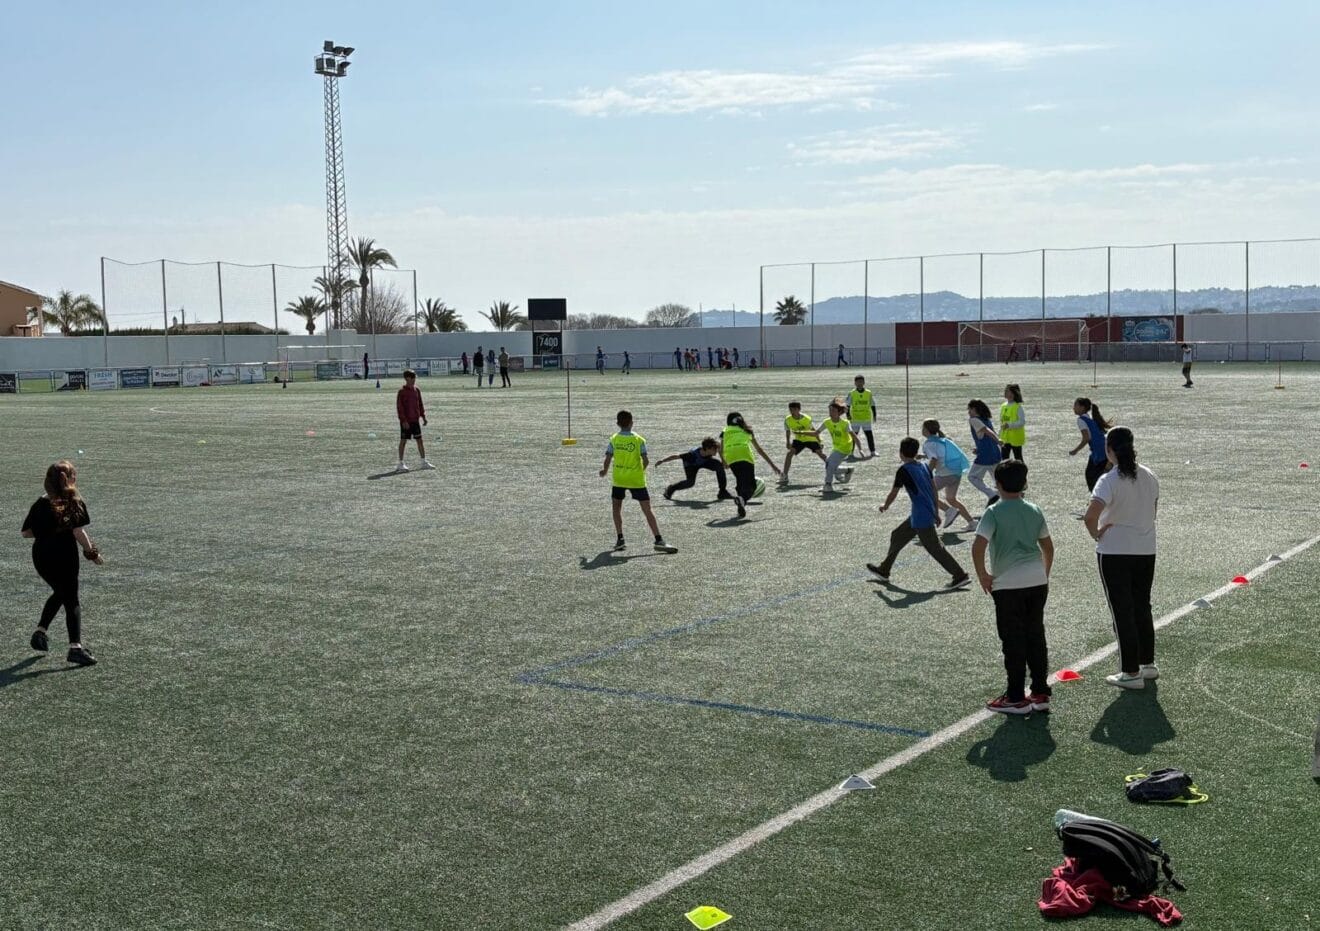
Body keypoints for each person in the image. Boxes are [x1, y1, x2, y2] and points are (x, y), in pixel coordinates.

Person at [970, 459, 1054, 714]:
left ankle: (1016, 696)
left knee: (1013, 640)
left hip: (1008, 585)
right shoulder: (1034, 509)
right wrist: (1043, 574)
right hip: (1036, 581)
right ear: (1024, 483)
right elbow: (1048, 547)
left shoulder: (994, 511)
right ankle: (1040, 692)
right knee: (1036, 636)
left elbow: (978, 546)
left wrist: (983, 574)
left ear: (997, 484)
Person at [1084, 427, 1160, 690]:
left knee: (1122, 611)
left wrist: (1097, 534)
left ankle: (1130, 671)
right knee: (1142, 606)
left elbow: (1090, 516)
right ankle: (1147, 663)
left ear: (1110, 449)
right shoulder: (1149, 475)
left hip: (1115, 551)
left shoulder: (1109, 479)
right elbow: (1153, 511)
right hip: (1145, 549)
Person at [22, 461, 102, 666]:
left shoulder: (40, 503)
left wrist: (47, 534)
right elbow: (78, 531)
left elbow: (26, 533)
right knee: (71, 598)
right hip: (64, 556)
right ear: (71, 479)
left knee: (60, 591)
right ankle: (75, 648)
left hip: (41, 556)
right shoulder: (74, 501)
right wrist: (92, 553)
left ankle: (40, 633)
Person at [868, 437, 971, 589]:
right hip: (923, 512)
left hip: (921, 516)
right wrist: (936, 512)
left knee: (935, 548)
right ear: (917, 453)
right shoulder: (924, 467)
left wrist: (886, 505)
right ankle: (884, 569)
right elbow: (933, 490)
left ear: (900, 453)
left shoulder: (903, 471)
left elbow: (894, 492)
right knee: (897, 535)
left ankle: (960, 575)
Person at [599, 410, 677, 553]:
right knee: (647, 510)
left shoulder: (614, 439)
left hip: (619, 479)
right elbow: (646, 460)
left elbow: (608, 458)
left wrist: (604, 471)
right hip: (636, 480)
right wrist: (641, 470)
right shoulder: (639, 440)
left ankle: (620, 539)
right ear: (632, 423)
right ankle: (659, 540)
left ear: (617, 424)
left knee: (616, 509)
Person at [720, 412, 782, 519]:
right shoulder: (747, 431)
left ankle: (741, 505)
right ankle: (742, 499)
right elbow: (759, 449)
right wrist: (772, 465)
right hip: (745, 455)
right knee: (752, 485)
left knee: (740, 482)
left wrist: (724, 461)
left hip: (731, 456)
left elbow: (720, 449)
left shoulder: (725, 431)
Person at [920, 419, 976, 532]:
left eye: (923, 428)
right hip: (956, 473)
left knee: (925, 493)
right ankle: (972, 522)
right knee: (951, 498)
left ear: (926, 430)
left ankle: (948, 511)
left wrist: (927, 474)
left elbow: (934, 460)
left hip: (945, 474)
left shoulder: (929, 444)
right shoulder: (942, 440)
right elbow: (939, 455)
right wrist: (922, 456)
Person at [658, 437, 731, 502]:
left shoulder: (710, 450)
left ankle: (722, 492)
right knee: (690, 482)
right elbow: (676, 456)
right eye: (714, 449)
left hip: (705, 461)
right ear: (708, 449)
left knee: (719, 466)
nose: (716, 451)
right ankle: (671, 489)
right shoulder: (691, 455)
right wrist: (662, 460)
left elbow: (724, 464)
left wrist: (722, 458)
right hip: (691, 464)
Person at [1069, 398, 1112, 491]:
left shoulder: (1081, 420)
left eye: (1075, 405)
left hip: (1099, 452)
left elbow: (1086, 438)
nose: (1073, 408)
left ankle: (1097, 497)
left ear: (1082, 407)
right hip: (1106, 449)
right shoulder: (1090, 418)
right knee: (1098, 474)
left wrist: (1075, 450)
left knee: (1091, 475)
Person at [781, 400, 828, 485]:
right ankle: (784, 475)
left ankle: (835, 469)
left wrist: (819, 441)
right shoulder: (787, 419)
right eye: (790, 409)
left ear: (799, 409)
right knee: (789, 454)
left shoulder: (806, 418)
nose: (792, 411)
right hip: (799, 440)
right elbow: (787, 431)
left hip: (810, 439)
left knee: (821, 454)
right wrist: (788, 442)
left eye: (794, 409)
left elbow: (813, 430)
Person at [395, 369, 434, 471]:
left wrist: (423, 417)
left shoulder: (417, 390)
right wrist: (403, 421)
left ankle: (423, 462)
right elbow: (400, 408)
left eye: (414, 378)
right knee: (403, 441)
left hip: (415, 421)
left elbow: (420, 404)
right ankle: (400, 463)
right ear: (407, 378)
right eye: (412, 378)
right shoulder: (402, 392)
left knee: (420, 441)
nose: (414, 380)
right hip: (406, 422)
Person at [819, 401, 861, 493]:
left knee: (830, 465)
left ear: (839, 412)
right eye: (830, 410)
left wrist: (860, 449)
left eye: (833, 410)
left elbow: (854, 436)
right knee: (829, 465)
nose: (831, 412)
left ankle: (828, 485)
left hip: (846, 447)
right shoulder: (827, 421)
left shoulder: (845, 423)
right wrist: (802, 433)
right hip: (837, 447)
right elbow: (816, 433)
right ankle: (847, 470)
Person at [966, 399, 1003, 506]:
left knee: (972, 477)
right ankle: (1013, 496)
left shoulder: (973, 420)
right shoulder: (986, 419)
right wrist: (979, 448)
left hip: (985, 455)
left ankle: (992, 494)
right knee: (998, 480)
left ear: (975, 409)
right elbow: (986, 435)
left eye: (970, 409)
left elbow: (987, 431)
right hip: (995, 452)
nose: (969, 412)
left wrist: (998, 440)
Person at [847, 374, 878, 457]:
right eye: (858, 382)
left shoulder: (868, 393)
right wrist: (848, 415)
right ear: (855, 383)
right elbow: (848, 405)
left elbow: (872, 404)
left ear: (864, 382)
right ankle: (850, 453)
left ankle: (873, 451)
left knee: (869, 435)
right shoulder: (852, 393)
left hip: (866, 418)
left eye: (861, 381)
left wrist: (874, 415)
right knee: (853, 436)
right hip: (855, 418)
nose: (859, 383)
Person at [999, 384, 1026, 462]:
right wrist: (999, 435)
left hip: (1016, 438)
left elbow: (1022, 422)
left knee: (1018, 458)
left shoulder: (1018, 407)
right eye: (1007, 392)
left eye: (1011, 393)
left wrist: (1010, 425)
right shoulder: (1003, 406)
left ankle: (1021, 473)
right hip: (1005, 438)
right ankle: (1005, 474)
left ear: (1016, 394)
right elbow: (1002, 422)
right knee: (1004, 459)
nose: (1009, 394)